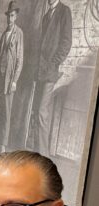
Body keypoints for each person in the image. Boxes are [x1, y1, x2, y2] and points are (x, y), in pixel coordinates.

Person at [30, 0, 72, 154]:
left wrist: (53, 64)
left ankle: (43, 156)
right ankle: (37, 153)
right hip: (40, 71)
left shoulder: (64, 11)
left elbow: (66, 43)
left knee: (42, 112)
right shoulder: (46, 15)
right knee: (37, 111)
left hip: (50, 71)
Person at [0, 1, 23, 153]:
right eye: (8, 16)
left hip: (9, 80)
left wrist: (15, 81)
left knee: (6, 112)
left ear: (16, 16)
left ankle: (3, 144)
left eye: (12, 16)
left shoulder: (19, 34)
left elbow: (20, 59)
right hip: (0, 76)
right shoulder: (4, 34)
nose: (9, 19)